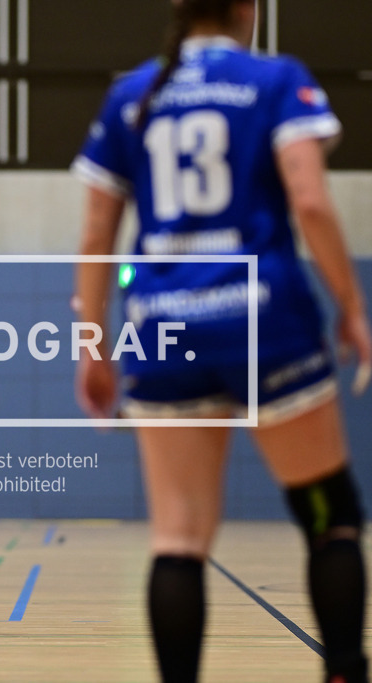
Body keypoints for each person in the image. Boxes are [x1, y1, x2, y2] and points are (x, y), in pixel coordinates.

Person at [71, 1, 370, 681]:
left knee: (178, 539)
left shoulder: (133, 94)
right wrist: (352, 306)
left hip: (165, 326)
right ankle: (347, 671)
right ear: (248, 9)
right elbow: (312, 200)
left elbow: (96, 237)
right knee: (330, 513)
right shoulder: (274, 79)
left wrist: (94, 345)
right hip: (265, 318)